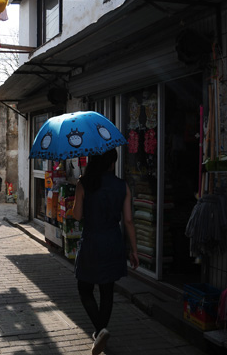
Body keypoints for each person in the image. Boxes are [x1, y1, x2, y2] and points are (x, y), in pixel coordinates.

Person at [71, 149, 138, 355]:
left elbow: (77, 215)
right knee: (107, 291)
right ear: (111, 164)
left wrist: (78, 193)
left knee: (84, 288)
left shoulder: (85, 183)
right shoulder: (122, 185)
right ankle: (101, 331)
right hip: (113, 241)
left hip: (92, 240)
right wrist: (134, 249)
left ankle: (100, 330)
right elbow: (128, 220)